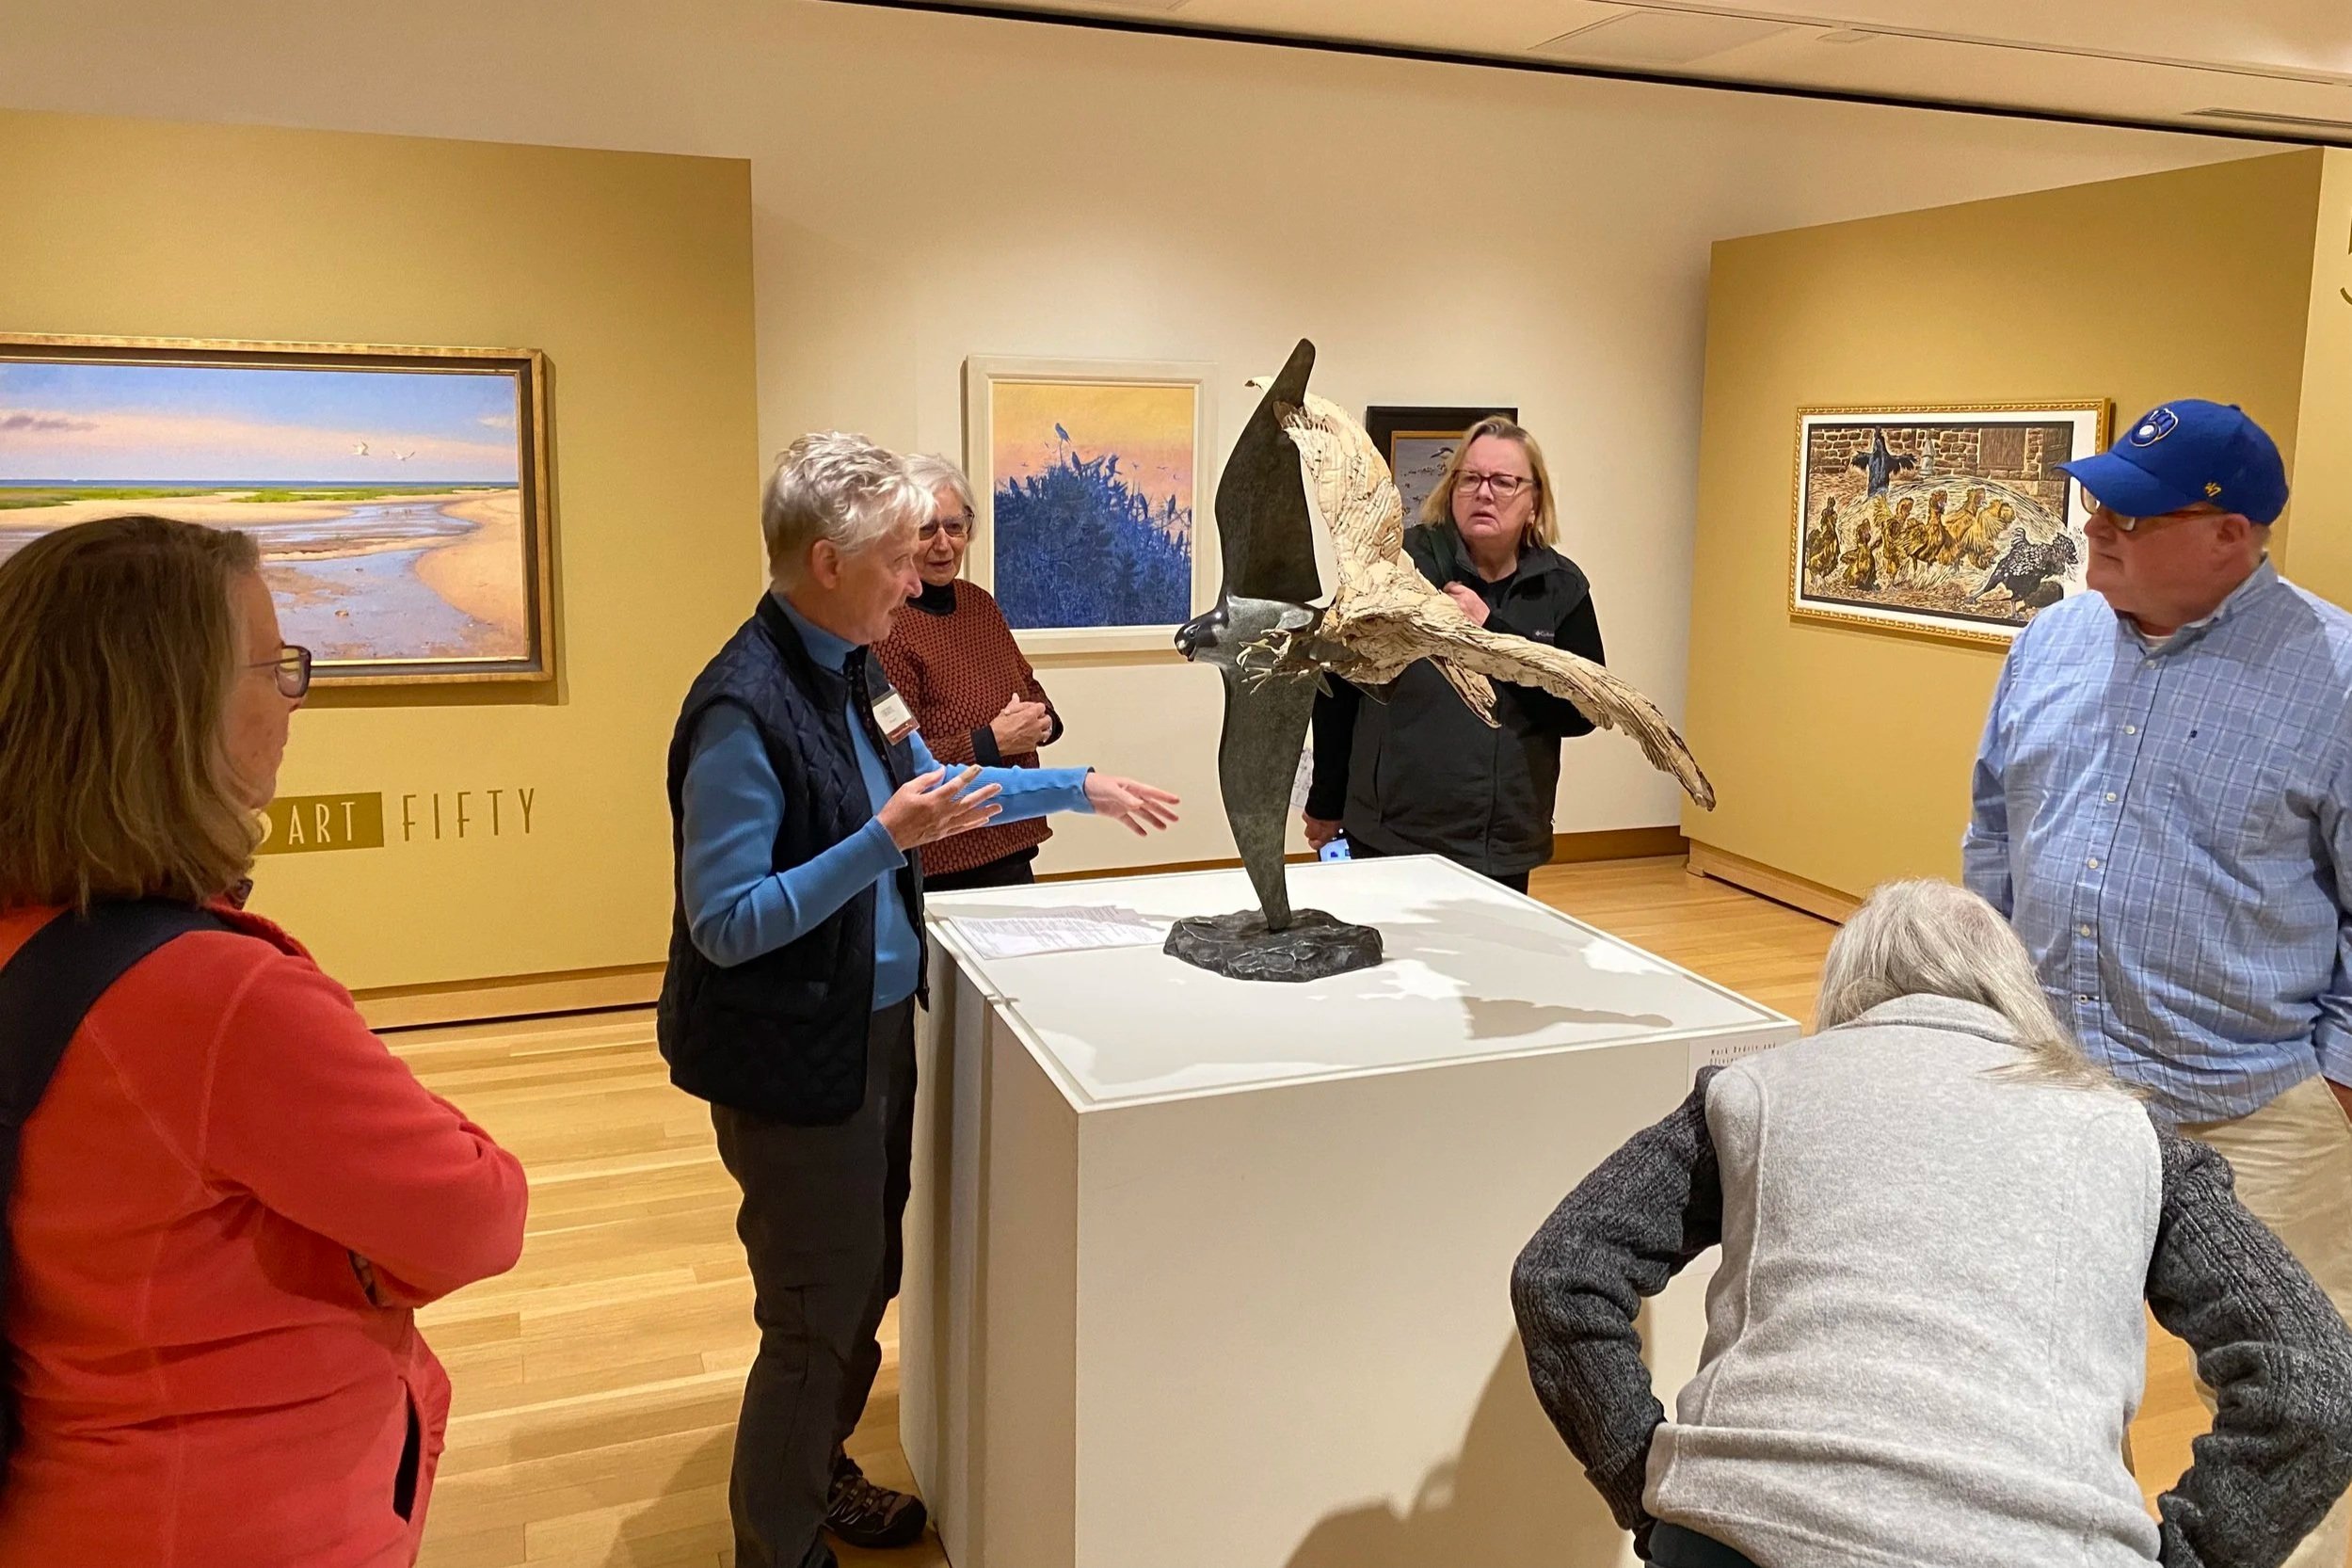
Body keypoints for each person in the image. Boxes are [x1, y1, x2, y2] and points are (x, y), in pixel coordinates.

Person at [657, 432, 1178, 1568]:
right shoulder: (743, 706)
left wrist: (1073, 786)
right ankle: (778, 1546)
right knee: (813, 1317)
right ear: (828, 561)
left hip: (870, 1030)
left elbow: (931, 786)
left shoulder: (853, 665)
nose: (915, 580)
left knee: (863, 1283)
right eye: (898, 558)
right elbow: (726, 924)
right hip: (791, 1055)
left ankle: (817, 1473)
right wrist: (878, 843)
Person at [1512, 879, 2352, 1568]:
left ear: (1844, 990)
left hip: (1736, 1529)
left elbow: (1560, 1273)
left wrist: (1648, 1489)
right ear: (2016, 991)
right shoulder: (2130, 1132)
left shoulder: (1756, 1087)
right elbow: (2312, 1381)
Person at [0, 515, 530, 1567]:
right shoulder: (215, 995)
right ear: (173, 709)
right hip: (241, 1511)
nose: (294, 699)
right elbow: (480, 1214)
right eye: (274, 666)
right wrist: (355, 1257)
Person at [1962, 397, 2352, 1566]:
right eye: (2097, 501)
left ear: (2232, 535)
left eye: (2133, 513)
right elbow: (1994, 828)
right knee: (2046, 1370)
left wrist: (2337, 1077)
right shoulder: (2049, 642)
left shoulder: (2337, 677)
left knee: (2296, 1397)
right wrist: (1986, 1001)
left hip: (2254, 1105)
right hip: (2057, 1092)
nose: (2097, 526)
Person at [1303, 415, 1604, 893]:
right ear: (1450, 489)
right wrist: (1325, 802)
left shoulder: (1562, 588)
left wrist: (1489, 634)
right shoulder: (1395, 570)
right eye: (1470, 478)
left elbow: (1583, 711)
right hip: (1391, 836)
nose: (1484, 493)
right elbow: (1336, 687)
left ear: (1534, 501)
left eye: (1503, 482)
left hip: (1501, 846)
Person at [873, 455, 1064, 890]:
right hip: (941, 864)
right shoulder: (886, 626)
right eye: (926, 529)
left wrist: (1043, 722)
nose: (943, 544)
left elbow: (1028, 684)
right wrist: (992, 741)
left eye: (954, 527)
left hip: (1013, 842)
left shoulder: (979, 603)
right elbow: (894, 760)